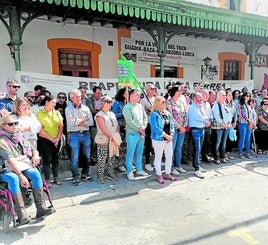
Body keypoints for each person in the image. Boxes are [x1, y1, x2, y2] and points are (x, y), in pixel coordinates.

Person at [0, 115, 53, 225]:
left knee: (35, 173)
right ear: (3, 126)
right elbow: (10, 159)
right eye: (11, 124)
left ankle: (41, 208)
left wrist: (35, 155)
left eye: (15, 123)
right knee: (14, 178)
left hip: (22, 164)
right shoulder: (2, 141)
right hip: (6, 168)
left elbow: (33, 149)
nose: (14, 125)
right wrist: (20, 175)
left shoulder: (19, 135)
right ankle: (21, 214)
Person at [65, 89, 94, 186]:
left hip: (86, 134)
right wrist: (82, 120)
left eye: (80, 96)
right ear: (71, 98)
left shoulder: (85, 107)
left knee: (87, 155)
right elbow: (70, 123)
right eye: (77, 96)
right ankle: (75, 176)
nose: (80, 98)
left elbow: (91, 122)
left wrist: (77, 121)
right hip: (74, 135)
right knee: (74, 157)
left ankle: (85, 174)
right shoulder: (68, 109)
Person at [36, 95, 64, 187]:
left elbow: (61, 126)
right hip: (45, 140)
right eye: (53, 102)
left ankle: (56, 177)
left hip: (57, 139)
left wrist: (57, 138)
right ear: (47, 102)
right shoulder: (39, 114)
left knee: (56, 159)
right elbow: (40, 130)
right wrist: (52, 139)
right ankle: (47, 179)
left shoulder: (56, 113)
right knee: (47, 159)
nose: (54, 104)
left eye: (55, 103)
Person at [149, 96, 176, 184]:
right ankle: (159, 175)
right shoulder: (153, 114)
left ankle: (167, 173)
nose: (165, 104)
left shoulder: (167, 113)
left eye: (165, 102)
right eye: (163, 102)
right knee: (158, 157)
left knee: (169, 156)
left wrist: (171, 134)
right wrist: (165, 136)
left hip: (168, 138)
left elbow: (172, 124)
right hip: (158, 139)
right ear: (158, 103)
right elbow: (155, 128)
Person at [123, 89, 148, 181]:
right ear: (131, 95)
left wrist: (144, 126)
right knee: (130, 153)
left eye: (139, 95)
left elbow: (145, 117)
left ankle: (139, 169)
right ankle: (129, 171)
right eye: (137, 95)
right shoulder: (127, 107)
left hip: (141, 133)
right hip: (132, 134)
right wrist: (140, 128)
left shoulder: (140, 106)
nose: (139, 96)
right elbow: (129, 121)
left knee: (139, 152)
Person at [95, 96, 120, 184]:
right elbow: (103, 128)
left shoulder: (112, 114)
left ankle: (110, 172)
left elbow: (117, 126)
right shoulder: (99, 115)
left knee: (112, 157)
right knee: (102, 158)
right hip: (104, 139)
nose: (110, 103)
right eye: (107, 101)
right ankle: (100, 176)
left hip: (113, 138)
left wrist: (116, 136)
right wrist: (112, 136)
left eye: (110, 101)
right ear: (102, 103)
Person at [188, 92, 211, 178]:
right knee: (197, 149)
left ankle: (197, 165)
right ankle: (196, 168)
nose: (201, 99)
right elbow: (199, 117)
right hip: (196, 130)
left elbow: (205, 115)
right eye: (199, 97)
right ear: (194, 98)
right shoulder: (192, 107)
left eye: (201, 97)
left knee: (199, 149)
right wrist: (206, 121)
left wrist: (206, 120)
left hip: (201, 129)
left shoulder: (200, 106)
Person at [166, 85, 188, 175]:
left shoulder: (181, 102)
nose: (180, 92)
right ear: (174, 92)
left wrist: (184, 126)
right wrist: (180, 127)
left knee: (179, 148)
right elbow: (171, 117)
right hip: (174, 130)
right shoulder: (169, 103)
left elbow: (185, 114)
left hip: (182, 129)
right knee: (172, 148)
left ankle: (178, 165)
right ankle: (171, 167)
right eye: (179, 91)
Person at [211, 90, 233, 164]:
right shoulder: (216, 105)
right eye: (222, 95)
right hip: (218, 127)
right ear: (218, 96)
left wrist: (229, 123)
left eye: (224, 95)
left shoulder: (225, 105)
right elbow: (217, 116)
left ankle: (222, 156)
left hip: (225, 126)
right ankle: (215, 157)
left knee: (223, 142)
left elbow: (230, 115)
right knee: (217, 142)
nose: (224, 97)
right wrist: (223, 124)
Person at [140, 83, 156, 172]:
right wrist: (148, 110)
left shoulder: (155, 99)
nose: (154, 90)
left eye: (154, 88)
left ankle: (157, 161)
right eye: (152, 88)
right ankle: (147, 163)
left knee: (157, 143)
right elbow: (141, 113)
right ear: (147, 90)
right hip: (148, 124)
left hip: (156, 124)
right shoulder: (143, 100)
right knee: (148, 144)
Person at [112, 87, 128, 172]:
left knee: (126, 146)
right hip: (119, 127)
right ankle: (120, 164)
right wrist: (123, 113)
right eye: (126, 93)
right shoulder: (116, 103)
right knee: (120, 146)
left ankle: (126, 162)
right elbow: (114, 115)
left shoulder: (127, 103)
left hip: (127, 127)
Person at [86, 86, 102, 164]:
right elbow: (91, 110)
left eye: (100, 93)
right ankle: (92, 158)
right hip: (93, 125)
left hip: (102, 124)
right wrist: (101, 110)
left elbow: (108, 109)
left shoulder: (102, 100)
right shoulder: (88, 100)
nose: (99, 95)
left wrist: (99, 109)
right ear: (93, 93)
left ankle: (99, 157)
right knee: (93, 141)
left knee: (101, 141)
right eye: (98, 93)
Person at [237, 92, 255, 159]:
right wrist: (248, 120)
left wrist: (251, 122)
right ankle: (240, 152)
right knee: (242, 138)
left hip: (249, 123)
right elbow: (241, 115)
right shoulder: (240, 105)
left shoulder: (249, 105)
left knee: (248, 138)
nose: (248, 97)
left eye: (249, 96)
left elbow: (252, 114)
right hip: (242, 123)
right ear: (244, 96)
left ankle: (247, 152)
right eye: (247, 96)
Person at [201, 89, 213, 163]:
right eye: (205, 94)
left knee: (207, 141)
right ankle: (201, 156)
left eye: (208, 95)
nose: (207, 96)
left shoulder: (208, 104)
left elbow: (210, 114)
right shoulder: (199, 104)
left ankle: (205, 155)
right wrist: (206, 122)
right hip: (202, 125)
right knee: (201, 142)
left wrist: (210, 121)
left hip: (208, 125)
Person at [225, 90, 238, 160]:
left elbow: (235, 114)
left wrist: (235, 121)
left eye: (231, 95)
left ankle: (228, 153)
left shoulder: (233, 104)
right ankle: (224, 153)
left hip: (232, 121)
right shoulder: (224, 104)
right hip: (227, 122)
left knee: (231, 138)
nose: (231, 96)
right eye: (229, 95)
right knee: (226, 139)